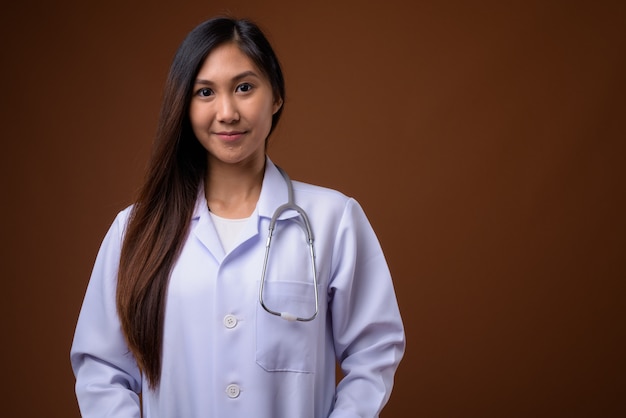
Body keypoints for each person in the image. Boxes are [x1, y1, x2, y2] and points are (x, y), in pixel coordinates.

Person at [70, 16, 405, 418]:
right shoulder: (135, 230)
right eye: (205, 92)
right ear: (184, 104)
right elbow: (102, 370)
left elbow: (373, 352)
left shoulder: (334, 219)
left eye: (244, 88)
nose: (227, 112)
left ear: (276, 96)